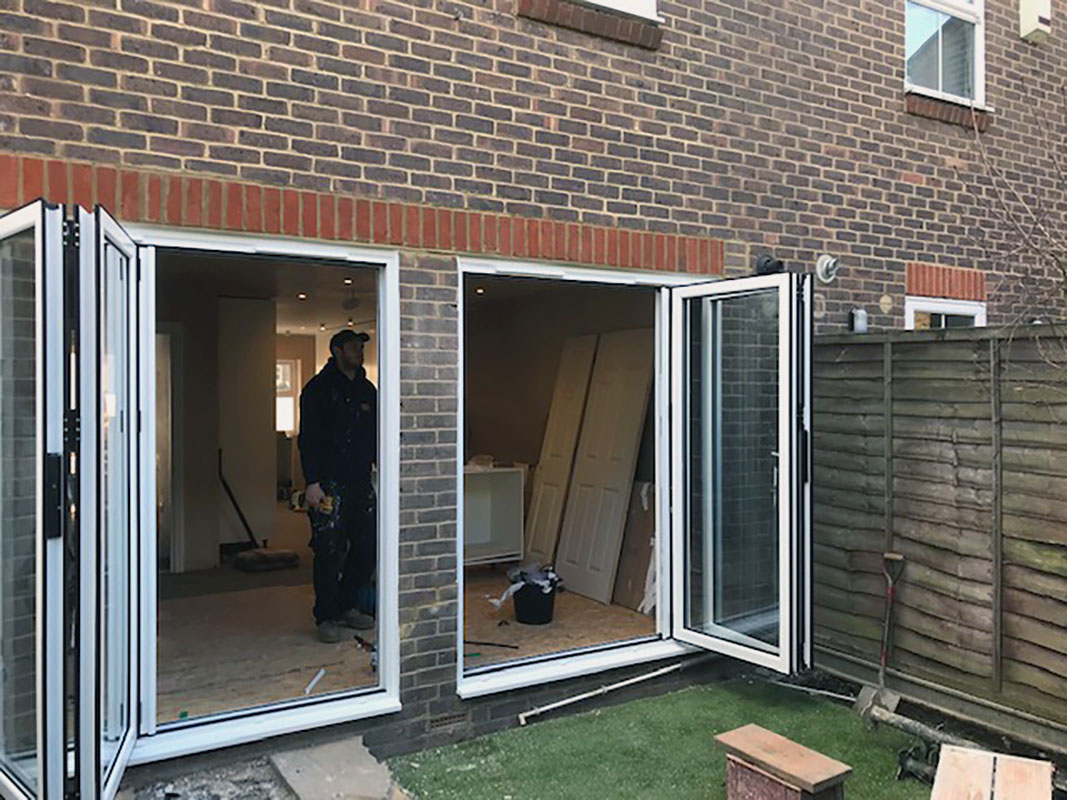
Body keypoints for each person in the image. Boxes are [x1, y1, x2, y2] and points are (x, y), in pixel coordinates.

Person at [298, 329, 378, 643]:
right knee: (329, 550)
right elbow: (308, 439)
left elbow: (376, 434)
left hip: (360, 481)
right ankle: (326, 616)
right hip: (328, 484)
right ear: (337, 350)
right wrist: (312, 482)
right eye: (353, 347)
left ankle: (346, 605)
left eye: (361, 347)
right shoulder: (318, 390)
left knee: (367, 547)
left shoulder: (366, 390)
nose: (360, 351)